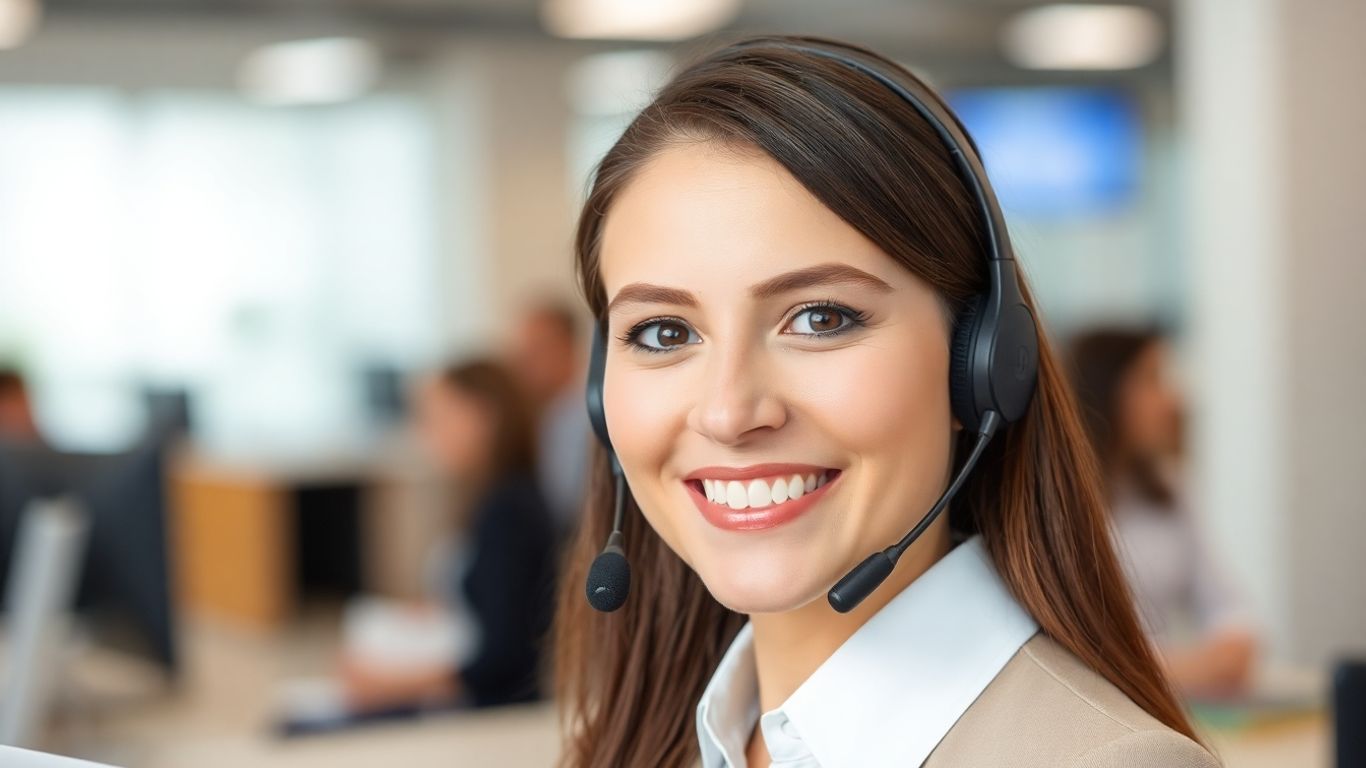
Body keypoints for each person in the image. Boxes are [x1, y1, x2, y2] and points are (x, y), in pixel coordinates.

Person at [552, 36, 1218, 767]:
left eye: (820, 318)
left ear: (983, 367)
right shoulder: (642, 746)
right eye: (664, 331)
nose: (729, 412)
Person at [341, 359, 558, 711]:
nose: (427, 435)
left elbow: (504, 659)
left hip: (492, 712)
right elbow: (484, 603)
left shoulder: (509, 512)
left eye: (438, 419)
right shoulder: (490, 497)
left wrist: (389, 684)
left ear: (483, 419)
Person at [1069, 326, 1256, 699]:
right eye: (1152, 379)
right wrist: (1190, 667)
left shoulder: (1168, 488)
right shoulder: (1062, 501)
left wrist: (1227, 649)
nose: (1173, 399)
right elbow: (1076, 655)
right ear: (1106, 391)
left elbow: (1231, 612)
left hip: (1166, 703)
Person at [506, 300, 592, 542]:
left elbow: (570, 510)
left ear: (568, 347)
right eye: (520, 352)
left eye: (536, 351)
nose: (523, 364)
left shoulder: (584, 419)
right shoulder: (543, 415)